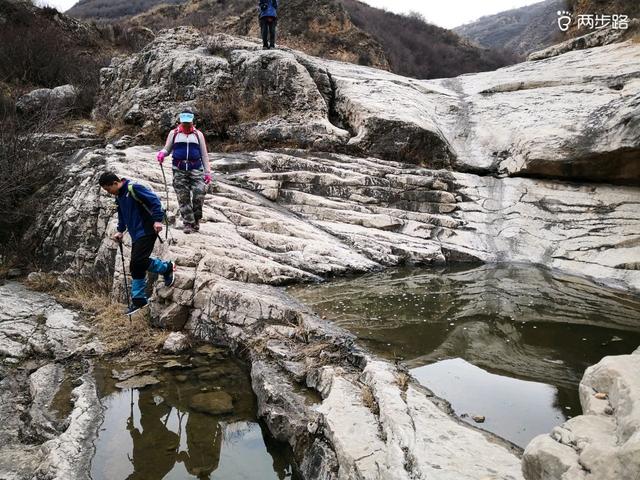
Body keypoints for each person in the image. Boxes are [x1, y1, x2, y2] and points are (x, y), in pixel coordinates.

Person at [99, 172, 175, 314]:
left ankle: (167, 268)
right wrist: (120, 230)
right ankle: (139, 300)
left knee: (137, 262)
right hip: (136, 233)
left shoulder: (133, 188)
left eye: (108, 189)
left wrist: (158, 220)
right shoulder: (119, 196)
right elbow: (121, 213)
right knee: (136, 265)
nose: (108, 192)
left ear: (115, 183)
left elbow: (154, 201)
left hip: (147, 229)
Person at [156, 111, 212, 234]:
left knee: (199, 193)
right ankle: (188, 222)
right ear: (180, 122)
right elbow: (167, 149)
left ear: (192, 122)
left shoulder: (198, 135)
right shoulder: (174, 133)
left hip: (196, 168)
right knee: (183, 196)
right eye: (184, 122)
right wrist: (162, 154)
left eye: (188, 122)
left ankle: (196, 219)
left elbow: (204, 154)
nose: (186, 125)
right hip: (179, 169)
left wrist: (207, 172)